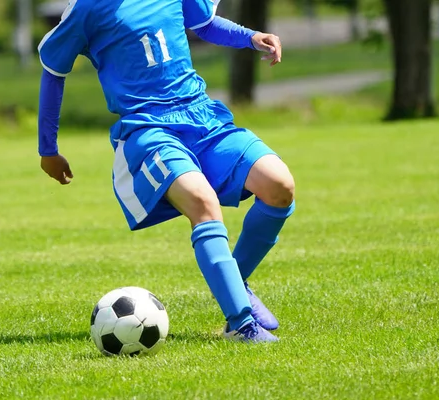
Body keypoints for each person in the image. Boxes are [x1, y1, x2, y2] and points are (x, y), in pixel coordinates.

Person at [37, 0, 295, 343]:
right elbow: (54, 70)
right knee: (203, 204)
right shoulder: (87, 8)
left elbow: (204, 24)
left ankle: (236, 281)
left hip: (202, 116)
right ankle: (241, 324)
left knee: (280, 186)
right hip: (149, 131)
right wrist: (48, 150)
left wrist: (251, 37)